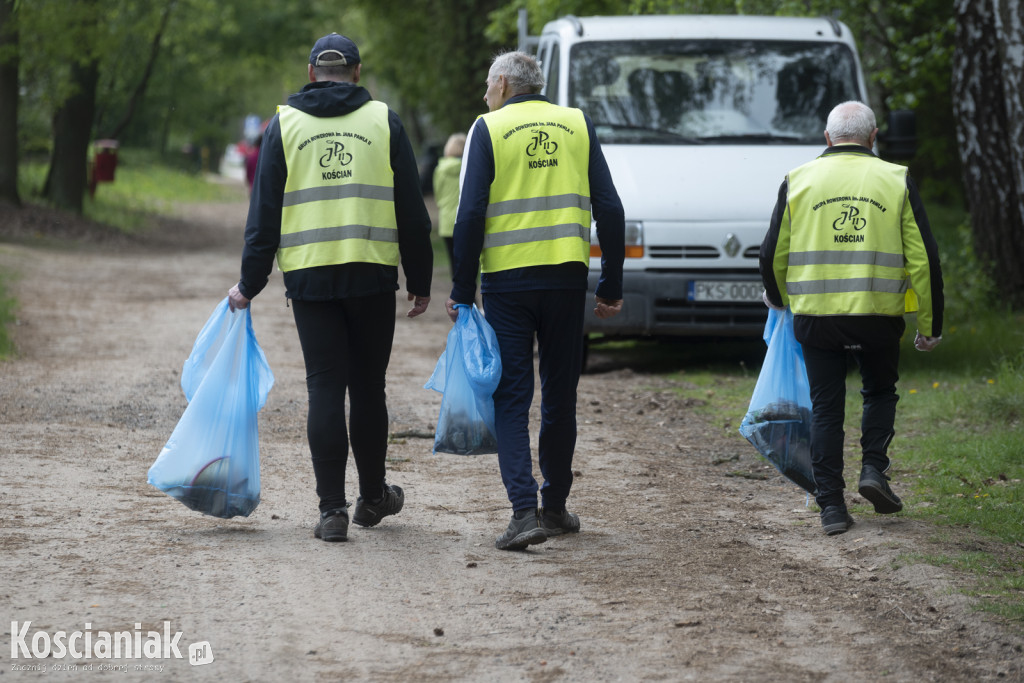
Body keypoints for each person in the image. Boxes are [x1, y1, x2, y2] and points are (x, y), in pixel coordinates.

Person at [227, 33, 433, 543]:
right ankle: (371, 498)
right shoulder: (383, 122)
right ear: (357, 72)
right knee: (368, 387)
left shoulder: (284, 125)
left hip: (311, 276)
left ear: (312, 71)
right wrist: (421, 280)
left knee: (324, 387)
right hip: (371, 274)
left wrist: (249, 284)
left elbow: (264, 216)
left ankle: (331, 512)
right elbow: (412, 209)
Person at [446, 51, 625, 551]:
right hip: (567, 278)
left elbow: (470, 214)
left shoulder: (489, 128)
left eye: (487, 85)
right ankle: (556, 505)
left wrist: (462, 291)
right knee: (560, 393)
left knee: (512, 395)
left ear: (503, 83)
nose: (485, 94)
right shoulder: (577, 123)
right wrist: (611, 282)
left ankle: (524, 513)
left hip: (508, 282)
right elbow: (609, 207)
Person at [759, 100, 944, 536]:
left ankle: (832, 508)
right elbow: (925, 259)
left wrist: (777, 297)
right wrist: (930, 326)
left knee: (826, 408)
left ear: (828, 138)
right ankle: (874, 471)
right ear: (873, 136)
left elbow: (771, 253)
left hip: (817, 320)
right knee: (879, 392)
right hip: (877, 317)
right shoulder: (895, 179)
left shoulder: (798, 179)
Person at [433, 132, 466, 278]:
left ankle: (458, 294)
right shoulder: (469, 167)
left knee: (454, 262)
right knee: (469, 261)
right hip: (465, 219)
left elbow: (438, 195)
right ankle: (472, 295)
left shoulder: (440, 170)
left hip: (447, 221)